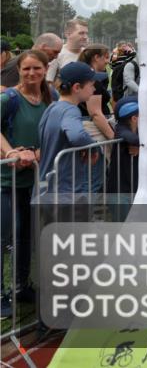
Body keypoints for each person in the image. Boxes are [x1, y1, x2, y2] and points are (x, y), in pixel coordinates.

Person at [0, 51, 55, 317]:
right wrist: (11, 152)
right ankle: (0, 295)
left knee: (24, 237)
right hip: (5, 181)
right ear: (18, 70)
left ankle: (21, 286)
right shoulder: (9, 99)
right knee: (3, 238)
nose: (31, 73)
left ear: (46, 69)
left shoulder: (49, 97)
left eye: (36, 68)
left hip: (31, 181)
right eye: (26, 69)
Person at [37, 61, 103, 198]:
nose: (94, 89)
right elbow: (77, 136)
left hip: (46, 186)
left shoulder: (52, 107)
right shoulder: (70, 110)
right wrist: (94, 148)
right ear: (77, 87)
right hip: (64, 189)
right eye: (91, 85)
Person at [78, 45, 115, 143]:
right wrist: (112, 137)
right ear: (96, 57)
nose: (108, 61)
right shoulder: (93, 81)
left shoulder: (89, 77)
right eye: (106, 57)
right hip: (94, 128)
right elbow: (95, 113)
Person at [107, 97, 139, 207]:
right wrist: (139, 144)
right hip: (120, 194)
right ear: (134, 118)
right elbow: (133, 139)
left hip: (132, 190)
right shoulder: (121, 129)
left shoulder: (138, 130)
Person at [47, 18, 89, 85]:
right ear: (68, 34)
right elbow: (49, 83)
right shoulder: (57, 54)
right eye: (81, 33)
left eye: (86, 33)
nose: (85, 37)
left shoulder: (89, 54)